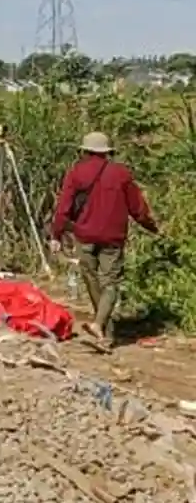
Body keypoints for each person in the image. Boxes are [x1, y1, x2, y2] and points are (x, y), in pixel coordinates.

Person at [49, 132, 159, 346]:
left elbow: (63, 208)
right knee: (110, 283)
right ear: (108, 152)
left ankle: (101, 328)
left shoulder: (76, 173)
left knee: (92, 281)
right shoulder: (121, 174)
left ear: (85, 150)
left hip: (85, 236)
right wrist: (152, 227)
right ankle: (103, 331)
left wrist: (56, 234)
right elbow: (138, 209)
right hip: (113, 238)